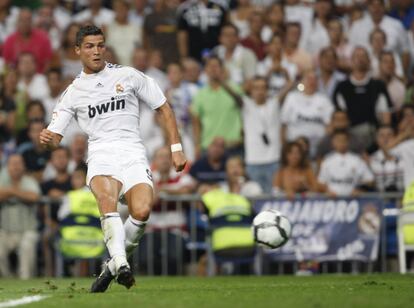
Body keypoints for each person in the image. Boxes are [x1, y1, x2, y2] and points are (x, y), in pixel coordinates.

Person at [39, 25, 186, 292]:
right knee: (107, 203)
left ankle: (112, 265)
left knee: (142, 210)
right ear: (77, 51)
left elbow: (163, 106)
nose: (96, 51)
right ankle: (122, 264)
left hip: (132, 150)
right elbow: (56, 137)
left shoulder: (128, 75)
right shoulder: (73, 92)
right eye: (89, 46)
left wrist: (176, 147)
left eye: (100, 45)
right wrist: (48, 140)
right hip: (101, 153)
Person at [0, 153, 41, 279]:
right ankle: (7, 279)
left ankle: (25, 280)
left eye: (19, 164)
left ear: (23, 166)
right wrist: (20, 193)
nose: (16, 167)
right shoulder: (2, 179)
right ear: (8, 166)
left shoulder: (29, 181)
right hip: (6, 231)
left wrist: (11, 191)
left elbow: (34, 197)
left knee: (27, 247)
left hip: (28, 231)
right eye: (13, 164)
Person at [318, 130, 375, 197]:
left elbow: (370, 181)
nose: (341, 142)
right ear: (333, 142)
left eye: (344, 140)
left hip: (354, 200)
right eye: (338, 140)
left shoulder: (357, 160)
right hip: (333, 201)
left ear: (348, 142)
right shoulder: (327, 160)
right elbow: (320, 183)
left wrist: (360, 189)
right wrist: (327, 191)